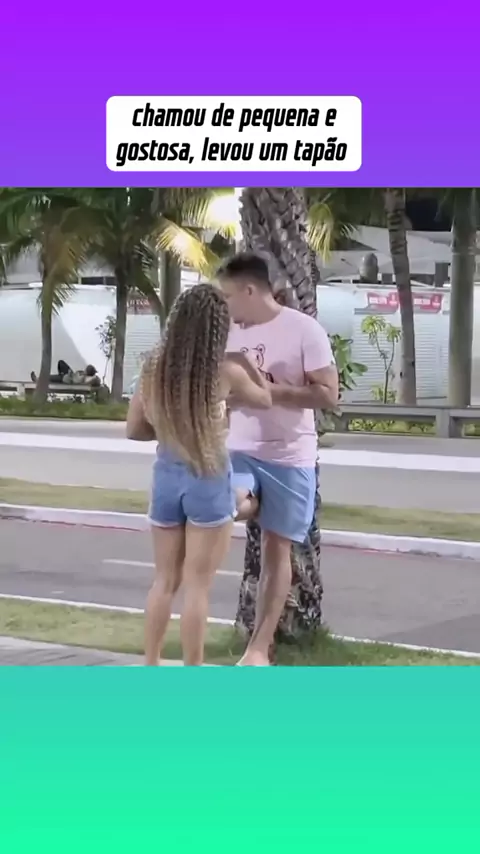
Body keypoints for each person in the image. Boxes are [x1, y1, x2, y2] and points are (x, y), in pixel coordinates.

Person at [125, 283, 271, 666]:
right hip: (208, 476)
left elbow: (134, 429)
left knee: (163, 581)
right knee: (197, 587)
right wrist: (245, 361)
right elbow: (265, 398)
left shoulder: (153, 369)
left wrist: (172, 428)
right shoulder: (225, 372)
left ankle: (151, 665)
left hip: (166, 477)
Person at [217, 253, 339, 666]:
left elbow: (328, 394)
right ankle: (247, 504)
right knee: (229, 503)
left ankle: (258, 648)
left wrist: (267, 393)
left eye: (228, 296)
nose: (225, 305)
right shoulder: (227, 333)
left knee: (276, 549)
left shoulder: (304, 330)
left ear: (250, 291)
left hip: (290, 455)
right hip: (239, 450)